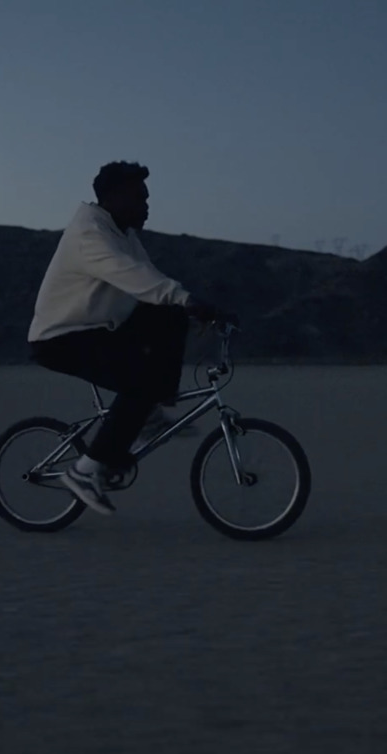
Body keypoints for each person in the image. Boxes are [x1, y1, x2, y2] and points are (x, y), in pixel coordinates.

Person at [27, 161, 234, 515]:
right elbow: (131, 276)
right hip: (61, 339)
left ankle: (150, 411)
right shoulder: (90, 235)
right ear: (114, 198)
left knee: (168, 315)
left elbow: (151, 280)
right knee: (139, 383)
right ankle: (84, 471)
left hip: (100, 327)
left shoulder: (123, 233)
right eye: (140, 197)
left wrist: (195, 307)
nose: (147, 205)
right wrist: (185, 298)